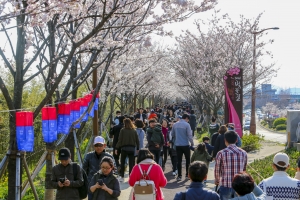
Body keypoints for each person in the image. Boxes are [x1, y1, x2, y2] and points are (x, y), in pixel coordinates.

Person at [214, 131, 247, 200]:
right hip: (239, 187)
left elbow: (217, 169)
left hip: (225, 186)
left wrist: (217, 179)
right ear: (236, 140)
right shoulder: (243, 153)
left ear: (225, 140)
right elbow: (244, 170)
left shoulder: (221, 153)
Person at [115, 118, 140, 182]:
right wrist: (137, 148)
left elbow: (120, 140)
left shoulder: (123, 130)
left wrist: (116, 148)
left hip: (124, 149)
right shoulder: (134, 131)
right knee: (131, 164)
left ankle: (122, 176)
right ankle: (131, 177)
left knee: (122, 163)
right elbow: (137, 140)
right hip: (132, 149)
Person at [171, 114, 194, 181]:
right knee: (187, 160)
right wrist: (192, 143)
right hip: (186, 145)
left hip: (178, 145)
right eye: (188, 119)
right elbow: (190, 135)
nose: (188, 121)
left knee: (179, 161)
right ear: (186, 118)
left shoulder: (175, 124)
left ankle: (179, 176)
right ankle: (187, 175)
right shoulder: (187, 125)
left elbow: (172, 134)